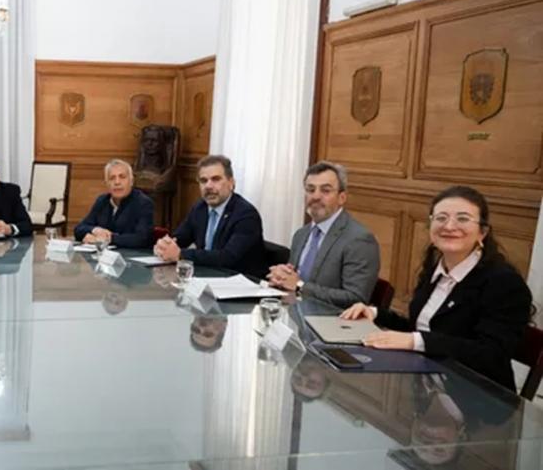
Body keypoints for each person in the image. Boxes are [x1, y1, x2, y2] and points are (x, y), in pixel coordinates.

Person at [340, 186, 533, 391]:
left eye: (463, 218)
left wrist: (414, 341)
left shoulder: (504, 283)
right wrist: (375, 313)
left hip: (478, 396)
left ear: (482, 232)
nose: (449, 226)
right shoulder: (436, 269)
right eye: (441, 218)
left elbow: (491, 354)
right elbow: (423, 328)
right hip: (428, 383)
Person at [267, 161, 380, 307]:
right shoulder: (301, 234)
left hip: (332, 319)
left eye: (325, 190)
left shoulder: (360, 240)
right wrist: (281, 278)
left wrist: (300, 285)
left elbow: (355, 298)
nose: (316, 196)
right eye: (310, 190)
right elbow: (293, 283)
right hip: (295, 313)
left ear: (342, 198)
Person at [154, 155, 265, 277]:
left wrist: (181, 254)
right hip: (205, 277)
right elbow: (179, 238)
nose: (208, 186)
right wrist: (165, 245)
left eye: (216, 179)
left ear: (231, 183)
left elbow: (228, 257)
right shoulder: (200, 208)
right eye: (203, 181)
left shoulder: (246, 214)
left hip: (237, 280)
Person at [74, 159, 154, 249]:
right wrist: (95, 230)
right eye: (112, 178)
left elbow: (142, 238)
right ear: (107, 184)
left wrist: (108, 238)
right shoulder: (102, 201)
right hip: (104, 255)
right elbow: (79, 229)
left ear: (131, 181)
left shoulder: (143, 203)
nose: (117, 182)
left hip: (133, 256)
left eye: (122, 177)